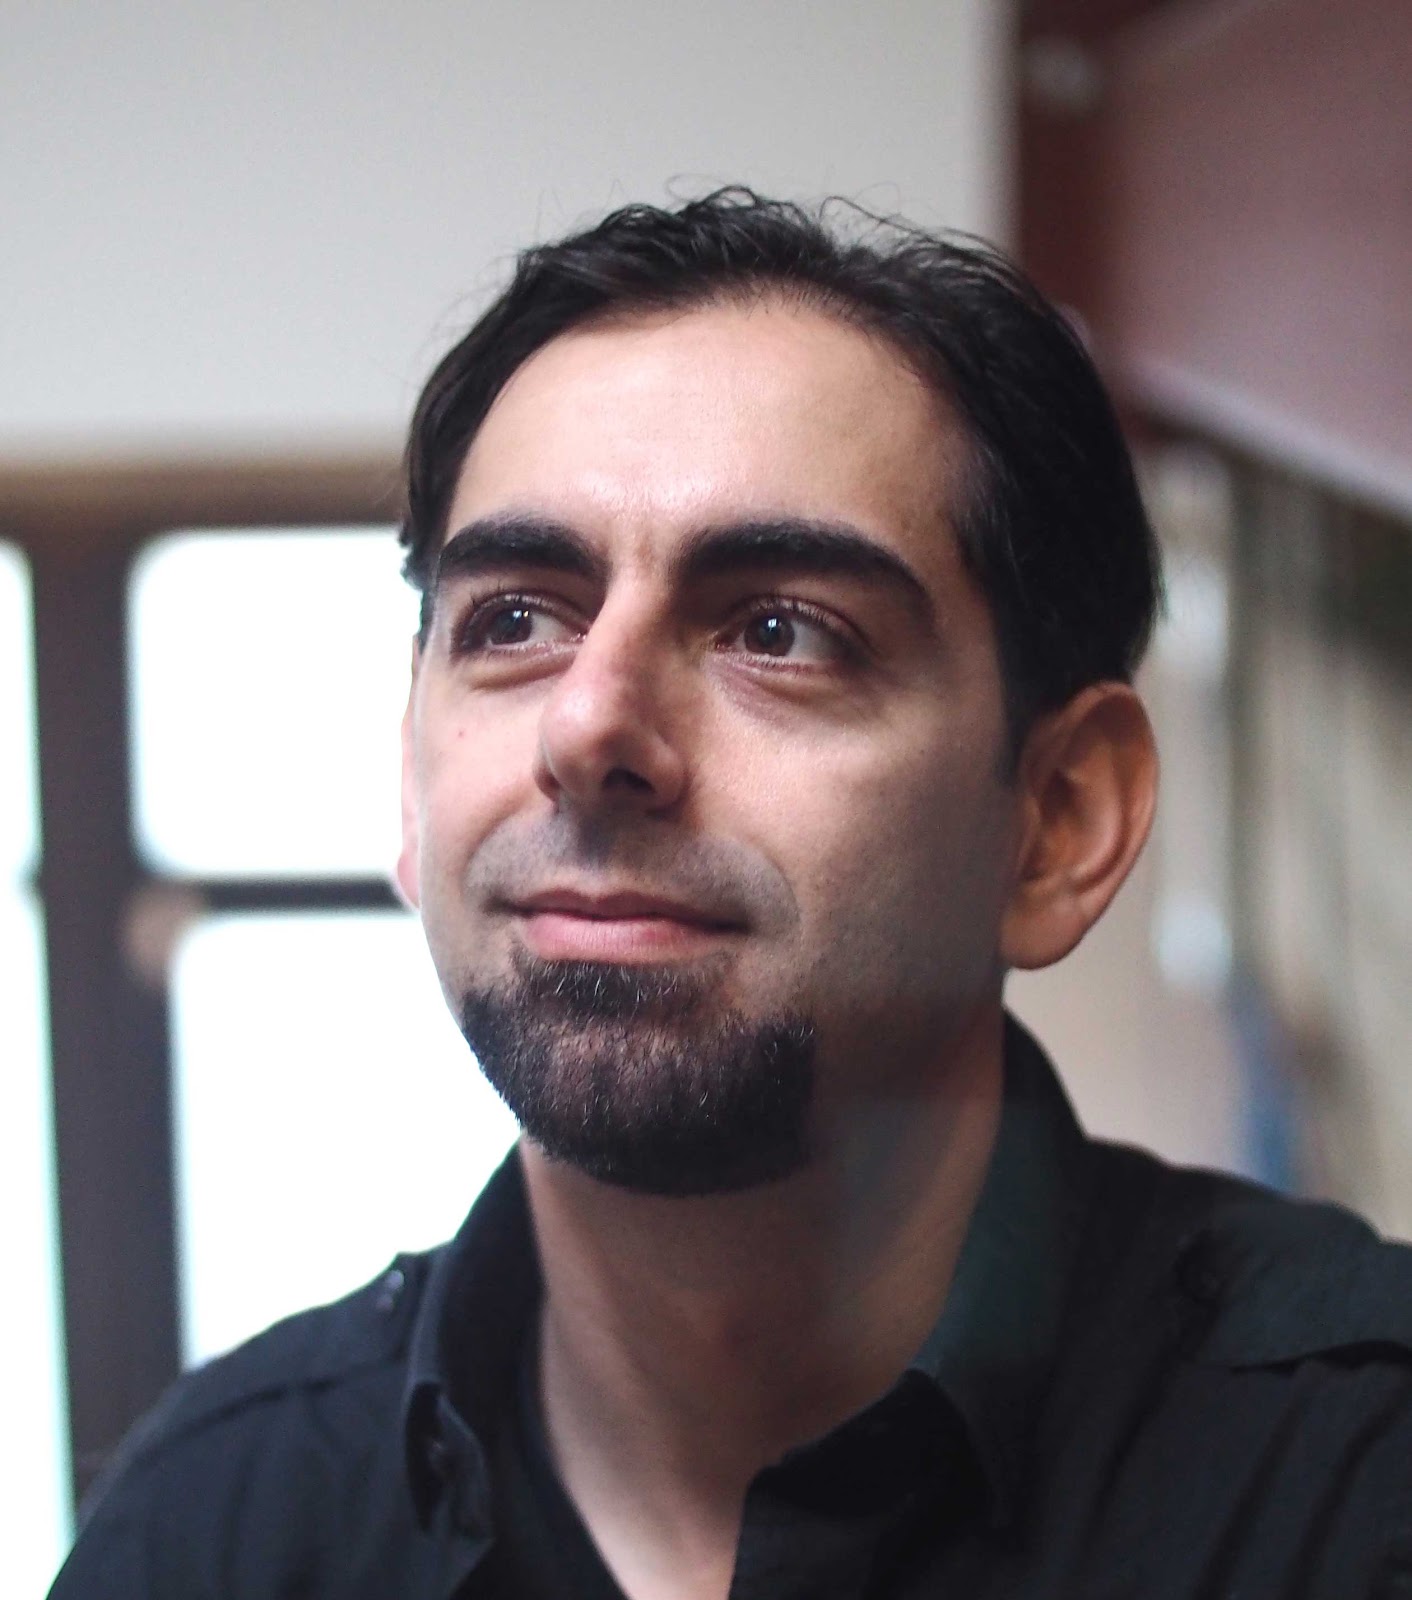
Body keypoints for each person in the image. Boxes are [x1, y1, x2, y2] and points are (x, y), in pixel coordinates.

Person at [51, 190, 1412, 1599]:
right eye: (515, 620)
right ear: (411, 785)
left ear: (1058, 820)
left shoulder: (1362, 1487)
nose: (587, 727)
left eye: (780, 631)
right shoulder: (212, 1535)